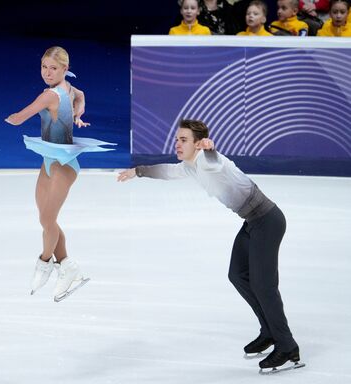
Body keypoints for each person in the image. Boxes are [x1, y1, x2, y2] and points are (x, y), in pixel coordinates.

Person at [117, 119, 302, 372]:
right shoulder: (190, 166)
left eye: (183, 140)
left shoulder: (208, 160)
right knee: (237, 275)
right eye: (177, 139)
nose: (178, 144)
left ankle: (287, 346)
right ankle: (269, 330)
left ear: (197, 143)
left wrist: (210, 148)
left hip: (267, 221)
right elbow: (168, 172)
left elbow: (214, 163)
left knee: (264, 285)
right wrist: (138, 171)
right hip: (252, 222)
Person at [5, 46, 114, 302]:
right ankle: (67, 265)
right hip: (48, 161)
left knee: (46, 220)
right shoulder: (68, 88)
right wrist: (79, 111)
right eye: (44, 67)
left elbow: (22, 117)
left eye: (53, 68)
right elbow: (81, 94)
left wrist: (9, 118)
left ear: (65, 69)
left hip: (64, 165)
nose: (47, 72)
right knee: (47, 220)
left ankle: (44, 262)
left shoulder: (50, 95)